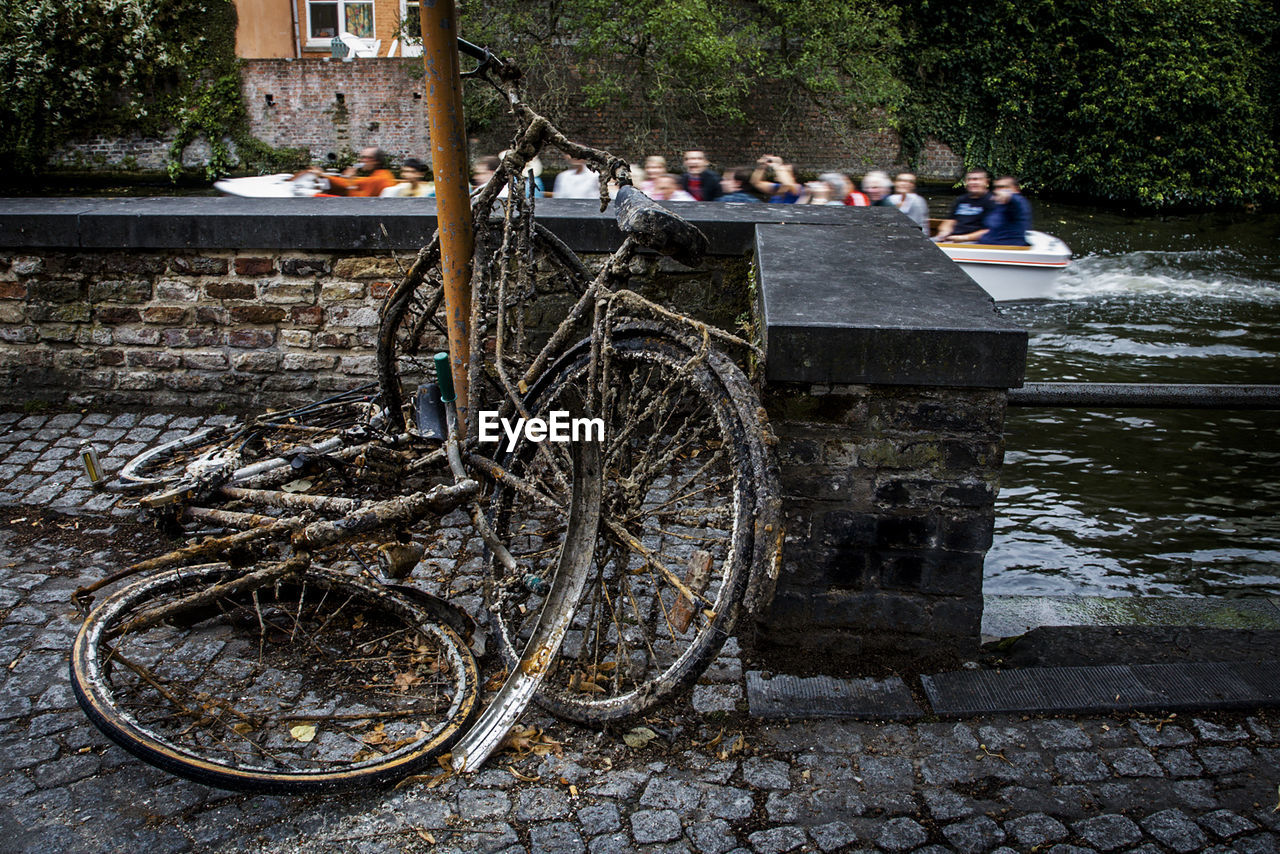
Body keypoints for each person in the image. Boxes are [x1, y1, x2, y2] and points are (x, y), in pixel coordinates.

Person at [293, 147, 397, 197]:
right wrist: (324, 175)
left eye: (366, 158)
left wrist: (351, 180)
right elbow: (356, 183)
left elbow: (358, 202)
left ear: (375, 161)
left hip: (364, 209)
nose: (362, 160)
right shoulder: (380, 174)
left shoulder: (379, 178)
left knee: (313, 196)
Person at [933, 168, 994, 242]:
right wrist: (944, 232)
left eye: (976, 179)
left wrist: (963, 238)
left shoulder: (991, 201)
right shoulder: (961, 200)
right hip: (953, 238)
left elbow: (989, 231)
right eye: (970, 180)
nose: (972, 182)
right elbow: (949, 221)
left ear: (986, 182)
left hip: (976, 242)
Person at [980, 175, 1032, 245]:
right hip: (987, 246)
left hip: (1007, 249)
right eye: (997, 188)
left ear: (1016, 189)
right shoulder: (998, 205)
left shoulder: (1020, 203)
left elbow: (1016, 200)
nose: (999, 191)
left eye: (1004, 187)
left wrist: (1010, 196)